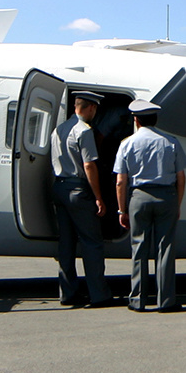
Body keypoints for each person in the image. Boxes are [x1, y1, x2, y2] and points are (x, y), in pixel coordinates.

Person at [113, 100, 186, 313]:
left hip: (139, 197)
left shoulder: (127, 143)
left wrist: (122, 209)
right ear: (155, 119)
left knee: (139, 248)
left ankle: (137, 300)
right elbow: (181, 177)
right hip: (167, 197)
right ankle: (166, 301)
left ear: (136, 120)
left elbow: (121, 180)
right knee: (165, 249)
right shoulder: (171, 142)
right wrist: (177, 204)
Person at [50, 92, 116, 307]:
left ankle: (68, 293)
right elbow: (89, 165)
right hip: (78, 190)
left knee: (66, 244)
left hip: (59, 187)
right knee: (92, 242)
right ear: (90, 108)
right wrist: (98, 197)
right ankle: (99, 294)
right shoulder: (84, 131)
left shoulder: (58, 130)